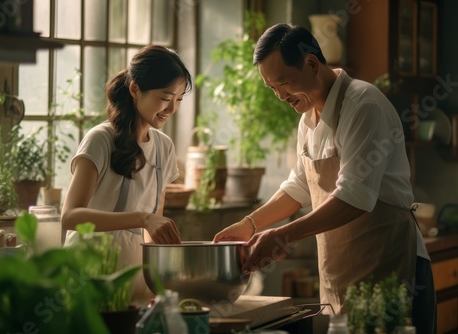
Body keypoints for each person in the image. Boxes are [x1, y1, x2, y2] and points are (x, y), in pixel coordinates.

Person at [213, 24, 436, 332]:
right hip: (342, 275)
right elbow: (300, 186)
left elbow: (355, 196)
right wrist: (249, 224)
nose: (280, 96)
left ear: (312, 64)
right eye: (272, 88)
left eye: (283, 83)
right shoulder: (307, 120)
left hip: (393, 266)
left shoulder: (363, 105)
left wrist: (283, 236)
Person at [62, 45, 192, 305]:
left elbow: (152, 232)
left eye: (178, 100)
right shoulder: (101, 139)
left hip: (135, 284)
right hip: (89, 279)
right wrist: (143, 218)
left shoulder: (163, 147)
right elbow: (70, 217)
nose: (171, 108)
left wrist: (163, 282)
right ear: (135, 89)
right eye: (166, 98)